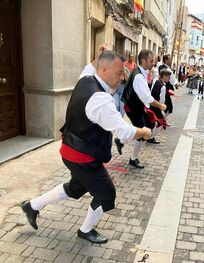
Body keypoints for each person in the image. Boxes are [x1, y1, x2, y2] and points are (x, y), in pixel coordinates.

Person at [20, 51, 152, 244]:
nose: (122, 77)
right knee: (106, 193)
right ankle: (85, 230)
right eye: (118, 72)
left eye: (123, 73)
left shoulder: (85, 79)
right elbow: (124, 131)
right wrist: (145, 131)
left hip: (71, 150)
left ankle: (32, 206)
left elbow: (90, 67)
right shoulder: (101, 98)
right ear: (104, 70)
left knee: (76, 187)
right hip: (83, 157)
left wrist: (97, 56)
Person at [120, 49, 167, 169]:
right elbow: (147, 98)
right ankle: (133, 159)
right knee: (142, 132)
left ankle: (121, 140)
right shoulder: (139, 76)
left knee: (146, 128)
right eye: (151, 61)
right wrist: (161, 105)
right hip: (132, 107)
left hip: (136, 106)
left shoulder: (139, 72)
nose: (153, 63)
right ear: (143, 60)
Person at [158, 54, 178, 120]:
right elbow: (172, 79)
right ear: (166, 60)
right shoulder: (166, 68)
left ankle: (162, 120)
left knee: (165, 105)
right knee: (167, 106)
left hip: (162, 87)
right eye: (170, 59)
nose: (171, 61)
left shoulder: (161, 67)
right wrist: (175, 84)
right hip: (164, 88)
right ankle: (161, 120)